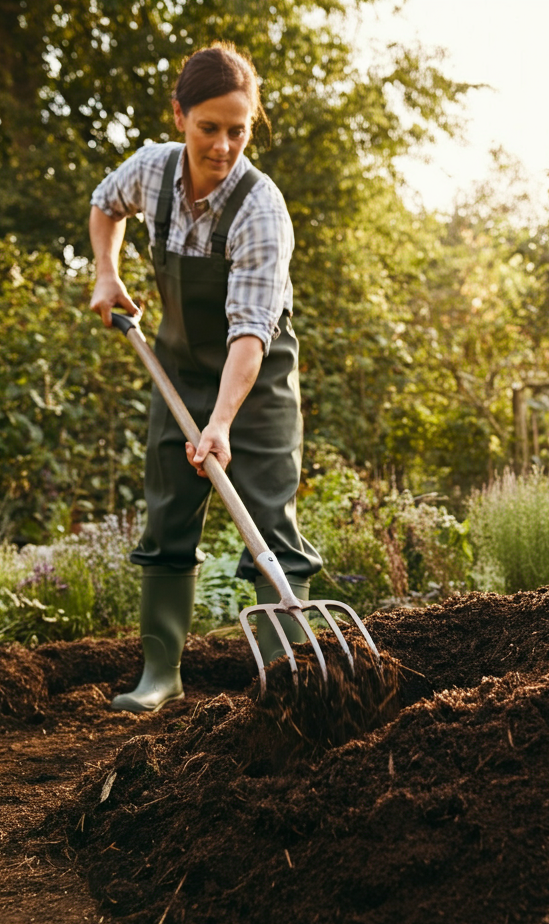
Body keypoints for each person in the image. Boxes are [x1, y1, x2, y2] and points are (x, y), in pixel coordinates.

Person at [89, 42, 322, 713]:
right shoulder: (152, 171)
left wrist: (221, 423)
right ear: (180, 115)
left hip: (256, 381)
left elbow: (250, 331)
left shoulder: (260, 207)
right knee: (166, 522)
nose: (223, 146)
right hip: (179, 368)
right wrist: (108, 271)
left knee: (271, 524)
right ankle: (160, 674)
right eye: (208, 128)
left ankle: (289, 681)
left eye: (238, 130)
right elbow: (105, 206)